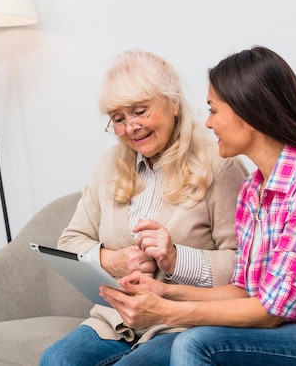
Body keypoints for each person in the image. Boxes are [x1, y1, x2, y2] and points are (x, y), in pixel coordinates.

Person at [101, 46, 296, 366]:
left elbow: (270, 312)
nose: (208, 123)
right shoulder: (253, 189)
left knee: (198, 343)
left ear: (247, 111)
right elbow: (246, 292)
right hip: (291, 333)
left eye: (213, 110)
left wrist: (166, 312)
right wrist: (163, 292)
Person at [40, 49, 248, 366]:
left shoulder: (221, 165)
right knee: (56, 361)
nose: (131, 127)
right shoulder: (109, 165)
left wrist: (176, 258)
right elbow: (70, 242)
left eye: (140, 111)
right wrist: (114, 260)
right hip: (115, 322)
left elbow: (244, 270)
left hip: (184, 326)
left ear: (174, 102)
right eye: (118, 119)